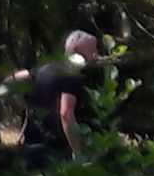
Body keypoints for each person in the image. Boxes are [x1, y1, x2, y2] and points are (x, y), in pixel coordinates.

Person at [6, 30, 98, 167]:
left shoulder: (45, 68)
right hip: (57, 150)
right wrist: (77, 152)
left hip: (32, 143)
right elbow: (65, 113)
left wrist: (24, 106)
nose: (95, 55)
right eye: (92, 50)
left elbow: (10, 81)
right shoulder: (72, 76)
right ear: (76, 50)